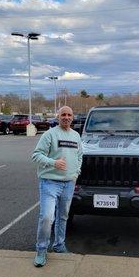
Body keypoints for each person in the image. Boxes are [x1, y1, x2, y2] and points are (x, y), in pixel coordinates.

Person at [32, 106, 83, 267]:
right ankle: (41, 249)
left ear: (72, 117)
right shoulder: (49, 134)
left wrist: (76, 173)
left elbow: (80, 156)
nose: (66, 117)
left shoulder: (76, 136)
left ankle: (59, 245)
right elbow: (36, 155)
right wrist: (53, 162)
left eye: (69, 115)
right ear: (58, 117)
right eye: (63, 115)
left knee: (63, 216)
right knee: (47, 217)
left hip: (69, 183)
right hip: (49, 182)